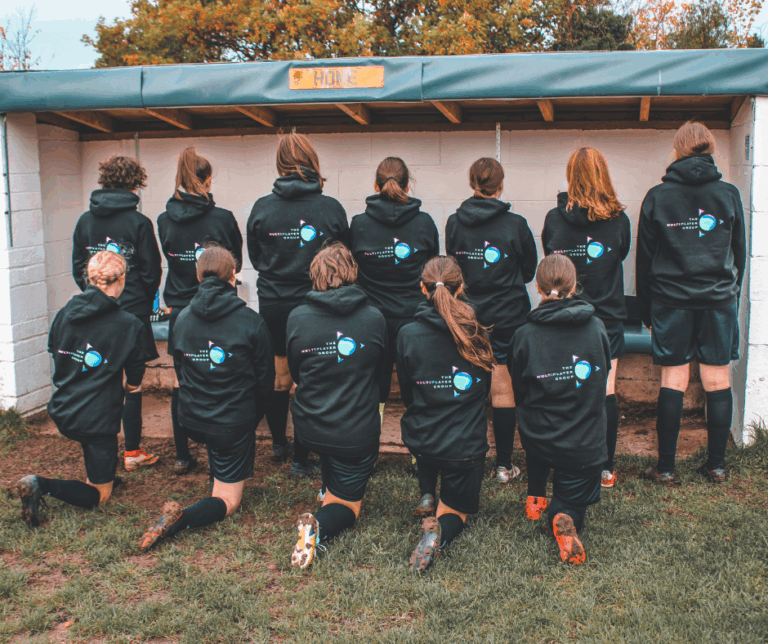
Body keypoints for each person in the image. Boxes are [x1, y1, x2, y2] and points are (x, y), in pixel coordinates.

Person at [139, 246, 274, 550]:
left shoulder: (182, 318)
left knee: (221, 444)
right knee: (226, 499)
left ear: (198, 274)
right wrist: (249, 418)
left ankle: (221, 468)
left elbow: (181, 372)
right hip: (230, 421)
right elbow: (265, 383)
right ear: (233, 276)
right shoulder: (252, 322)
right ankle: (181, 519)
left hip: (193, 418)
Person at [637, 121, 746, 484]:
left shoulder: (657, 196)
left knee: (674, 378)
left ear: (678, 149)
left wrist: (645, 308)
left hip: (670, 300)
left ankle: (666, 468)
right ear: (710, 148)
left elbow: (645, 259)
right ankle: (716, 465)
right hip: (719, 300)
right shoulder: (729, 194)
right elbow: (740, 255)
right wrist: (731, 294)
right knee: (717, 378)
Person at [17, 251, 147, 526]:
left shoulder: (65, 313)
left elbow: (54, 350)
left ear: (87, 279)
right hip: (98, 420)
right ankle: (41, 484)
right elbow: (135, 376)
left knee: (100, 460)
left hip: (64, 408)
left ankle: (103, 471)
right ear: (122, 279)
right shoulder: (129, 324)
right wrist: (126, 385)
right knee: (99, 496)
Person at [247, 132, 349, 476]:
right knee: (311, 378)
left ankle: (279, 444)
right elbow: (341, 257)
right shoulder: (331, 208)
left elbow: (256, 256)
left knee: (280, 377)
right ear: (311, 160)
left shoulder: (262, 208)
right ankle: (301, 459)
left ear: (280, 163)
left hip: (274, 303)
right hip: (317, 304)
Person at [286, 243, 386, 569]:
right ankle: (318, 525)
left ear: (314, 274)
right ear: (352, 272)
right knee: (348, 507)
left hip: (310, 426)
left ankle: (328, 487)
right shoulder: (374, 318)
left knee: (334, 453)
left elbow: (297, 372)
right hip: (355, 429)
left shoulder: (297, 317)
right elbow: (381, 375)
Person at [509, 254, 610, 565]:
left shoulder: (523, 335)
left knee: (536, 424)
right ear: (574, 286)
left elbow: (520, 388)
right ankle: (563, 516)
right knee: (572, 501)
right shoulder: (596, 328)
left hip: (538, 436)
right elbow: (603, 375)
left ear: (538, 288)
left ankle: (534, 500)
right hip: (583, 443)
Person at [397, 256, 494, 572]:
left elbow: (409, 392)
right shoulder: (476, 329)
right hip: (463, 446)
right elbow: (483, 390)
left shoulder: (407, 334)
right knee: (455, 511)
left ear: (422, 287)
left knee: (425, 424)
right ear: (461, 286)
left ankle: (427, 492)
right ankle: (440, 528)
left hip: (421, 439)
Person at [542, 147, 631, 489]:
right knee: (605, 391)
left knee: (565, 388)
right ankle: (605, 469)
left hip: (563, 314)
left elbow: (550, 257)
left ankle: (562, 460)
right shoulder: (619, 220)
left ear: (570, 176)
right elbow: (619, 254)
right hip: (606, 317)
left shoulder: (553, 218)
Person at [445, 158, 537, 483]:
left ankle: (466, 458)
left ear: (472, 183)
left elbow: (454, 273)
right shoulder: (517, 224)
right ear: (501, 185)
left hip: (468, 317)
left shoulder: (454, 224)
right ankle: (503, 466)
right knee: (503, 390)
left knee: (469, 388)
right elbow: (529, 271)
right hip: (509, 316)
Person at [72, 155, 162, 473]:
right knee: (132, 383)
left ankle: (105, 451)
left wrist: (96, 297)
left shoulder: (85, 221)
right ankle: (133, 452)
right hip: (133, 312)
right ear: (135, 183)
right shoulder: (139, 223)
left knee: (100, 378)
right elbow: (152, 271)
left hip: (95, 311)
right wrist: (141, 300)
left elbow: (77, 269)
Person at [157, 147, 244, 476]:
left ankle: (182, 455)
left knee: (182, 381)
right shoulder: (221, 218)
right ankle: (220, 446)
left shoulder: (164, 220)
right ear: (207, 181)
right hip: (220, 307)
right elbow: (234, 260)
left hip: (181, 309)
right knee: (221, 375)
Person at [349, 157, 439, 418]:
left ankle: (370, 440)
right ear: (407, 186)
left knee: (376, 382)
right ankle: (417, 451)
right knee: (417, 381)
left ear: (376, 187)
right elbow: (432, 271)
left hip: (371, 317)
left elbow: (352, 270)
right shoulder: (425, 223)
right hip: (415, 316)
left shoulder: (358, 224)